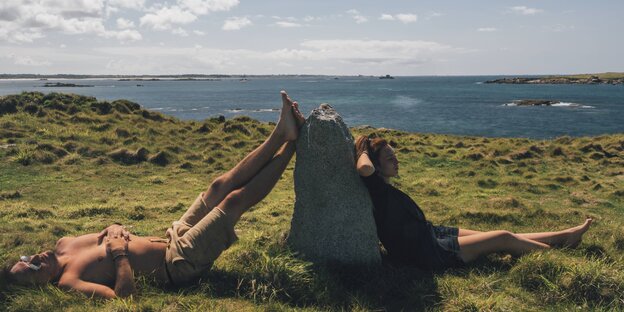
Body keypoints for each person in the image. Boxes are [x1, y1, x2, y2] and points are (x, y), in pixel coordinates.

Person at [3, 91, 306, 298]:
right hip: (177, 263)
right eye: (31, 270)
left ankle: (282, 132)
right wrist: (120, 253)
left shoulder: (63, 244)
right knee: (232, 201)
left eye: (26, 259)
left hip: (171, 235)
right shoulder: (69, 282)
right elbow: (124, 298)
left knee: (216, 186)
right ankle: (294, 145)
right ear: (38, 287)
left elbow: (108, 235)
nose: (35, 260)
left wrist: (112, 228)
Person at [354, 135, 593, 270]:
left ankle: (565, 236)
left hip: (431, 234)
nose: (396, 161)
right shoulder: (377, 189)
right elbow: (364, 167)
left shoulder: (384, 187)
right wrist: (363, 147)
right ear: (376, 164)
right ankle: (564, 262)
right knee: (503, 237)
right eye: (389, 158)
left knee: (497, 236)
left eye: (395, 155)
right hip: (428, 253)